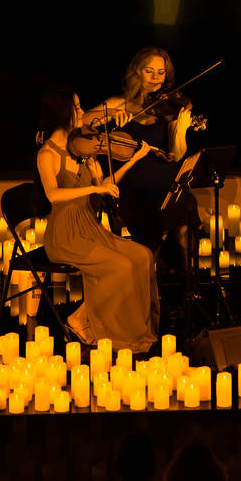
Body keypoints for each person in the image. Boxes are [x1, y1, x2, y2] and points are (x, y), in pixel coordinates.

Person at [36, 87, 160, 351]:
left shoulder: (81, 146)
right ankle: (101, 328)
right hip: (65, 234)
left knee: (142, 256)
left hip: (88, 226)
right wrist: (93, 188)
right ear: (62, 113)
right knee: (120, 266)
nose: (83, 112)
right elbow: (52, 195)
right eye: (77, 107)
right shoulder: (47, 154)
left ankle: (84, 318)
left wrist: (133, 160)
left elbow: (104, 185)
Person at [84, 47, 197, 260]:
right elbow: (82, 121)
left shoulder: (168, 106)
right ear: (137, 72)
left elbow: (176, 154)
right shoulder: (119, 103)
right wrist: (113, 113)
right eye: (149, 71)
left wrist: (181, 131)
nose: (156, 78)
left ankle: (189, 274)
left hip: (165, 180)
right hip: (132, 184)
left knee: (185, 205)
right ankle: (147, 270)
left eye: (161, 73)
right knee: (153, 212)